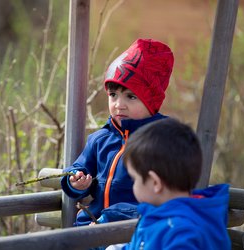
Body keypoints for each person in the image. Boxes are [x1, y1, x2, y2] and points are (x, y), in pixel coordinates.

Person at [60, 38, 175, 226]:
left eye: (131, 96)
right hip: (90, 228)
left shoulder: (165, 140)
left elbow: (168, 195)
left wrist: (113, 218)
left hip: (134, 232)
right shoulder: (100, 139)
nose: (119, 105)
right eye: (113, 95)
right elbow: (79, 167)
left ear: (151, 102)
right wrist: (76, 181)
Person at [110, 118, 231, 250]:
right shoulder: (158, 216)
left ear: (155, 183)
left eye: (134, 179)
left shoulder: (181, 233)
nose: (134, 186)